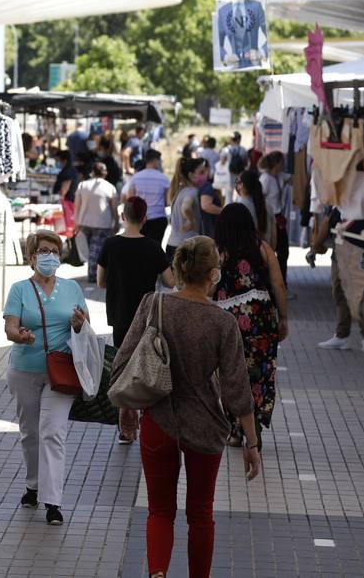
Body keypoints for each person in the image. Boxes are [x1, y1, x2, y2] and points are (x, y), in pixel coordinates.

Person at [113, 236, 261, 578]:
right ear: (212, 274)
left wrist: (126, 406)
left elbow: (125, 359)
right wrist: (251, 444)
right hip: (206, 427)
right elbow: (236, 390)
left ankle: (158, 573)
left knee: (160, 511)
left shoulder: (154, 305)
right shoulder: (222, 323)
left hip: (159, 420)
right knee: (200, 513)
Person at [3, 230, 91, 527]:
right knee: (30, 432)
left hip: (62, 371)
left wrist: (80, 325)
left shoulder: (72, 289)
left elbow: (86, 327)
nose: (50, 256)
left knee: (52, 432)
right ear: (31, 258)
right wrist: (21, 336)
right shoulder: (19, 289)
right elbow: (10, 328)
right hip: (25, 369)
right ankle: (33, 484)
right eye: (43, 251)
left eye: (55, 251)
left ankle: (52, 501)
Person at [97, 196, 172, 444]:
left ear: (122, 216)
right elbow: (170, 281)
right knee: (145, 367)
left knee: (123, 366)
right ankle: (144, 419)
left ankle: (125, 424)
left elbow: (99, 281)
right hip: (147, 315)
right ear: (144, 218)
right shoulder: (152, 247)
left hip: (119, 314)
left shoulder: (110, 245)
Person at [213, 203, 288, 447]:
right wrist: (283, 318)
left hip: (226, 322)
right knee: (260, 371)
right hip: (261, 319)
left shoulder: (217, 252)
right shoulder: (263, 249)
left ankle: (234, 429)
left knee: (230, 373)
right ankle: (255, 417)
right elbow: (278, 285)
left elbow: (208, 287)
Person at [74, 161, 118, 284]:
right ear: (105, 173)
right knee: (97, 251)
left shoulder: (82, 185)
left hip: (84, 222)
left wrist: (76, 221)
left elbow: (77, 205)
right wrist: (116, 221)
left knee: (89, 252)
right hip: (103, 223)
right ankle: (94, 275)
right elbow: (114, 208)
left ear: (92, 172)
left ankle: (93, 274)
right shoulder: (110, 187)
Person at [123, 148, 171, 247]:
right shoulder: (164, 178)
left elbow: (130, 199)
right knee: (155, 247)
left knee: (139, 247)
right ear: (156, 160)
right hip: (158, 218)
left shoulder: (135, 178)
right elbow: (168, 202)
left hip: (139, 218)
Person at [166, 156, 210, 260]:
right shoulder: (192, 192)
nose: (206, 175)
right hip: (186, 248)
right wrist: (191, 221)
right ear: (191, 175)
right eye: (201, 172)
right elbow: (185, 207)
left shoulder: (180, 191)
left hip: (172, 245)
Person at [258, 151, 290, 282]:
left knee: (283, 252)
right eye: (281, 163)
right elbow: (260, 198)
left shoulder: (278, 176)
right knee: (273, 250)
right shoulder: (266, 179)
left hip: (279, 217)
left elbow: (294, 177)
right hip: (271, 218)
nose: (283, 165)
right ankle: (274, 282)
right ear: (277, 163)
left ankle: (281, 282)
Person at [235, 170, 275, 248]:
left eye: (237, 181)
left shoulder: (237, 206)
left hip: (244, 256)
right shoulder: (267, 205)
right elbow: (274, 236)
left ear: (241, 185)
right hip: (265, 253)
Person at [54, 158, 81, 240]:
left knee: (69, 226)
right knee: (69, 226)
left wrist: (61, 196)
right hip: (70, 201)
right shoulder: (71, 170)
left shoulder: (68, 171)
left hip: (68, 201)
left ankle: (71, 241)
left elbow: (66, 185)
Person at [225, 132, 249, 201]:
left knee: (229, 193)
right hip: (239, 173)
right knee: (239, 191)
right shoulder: (243, 150)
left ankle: (229, 208)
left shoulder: (226, 149)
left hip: (228, 174)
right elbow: (246, 162)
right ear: (239, 139)